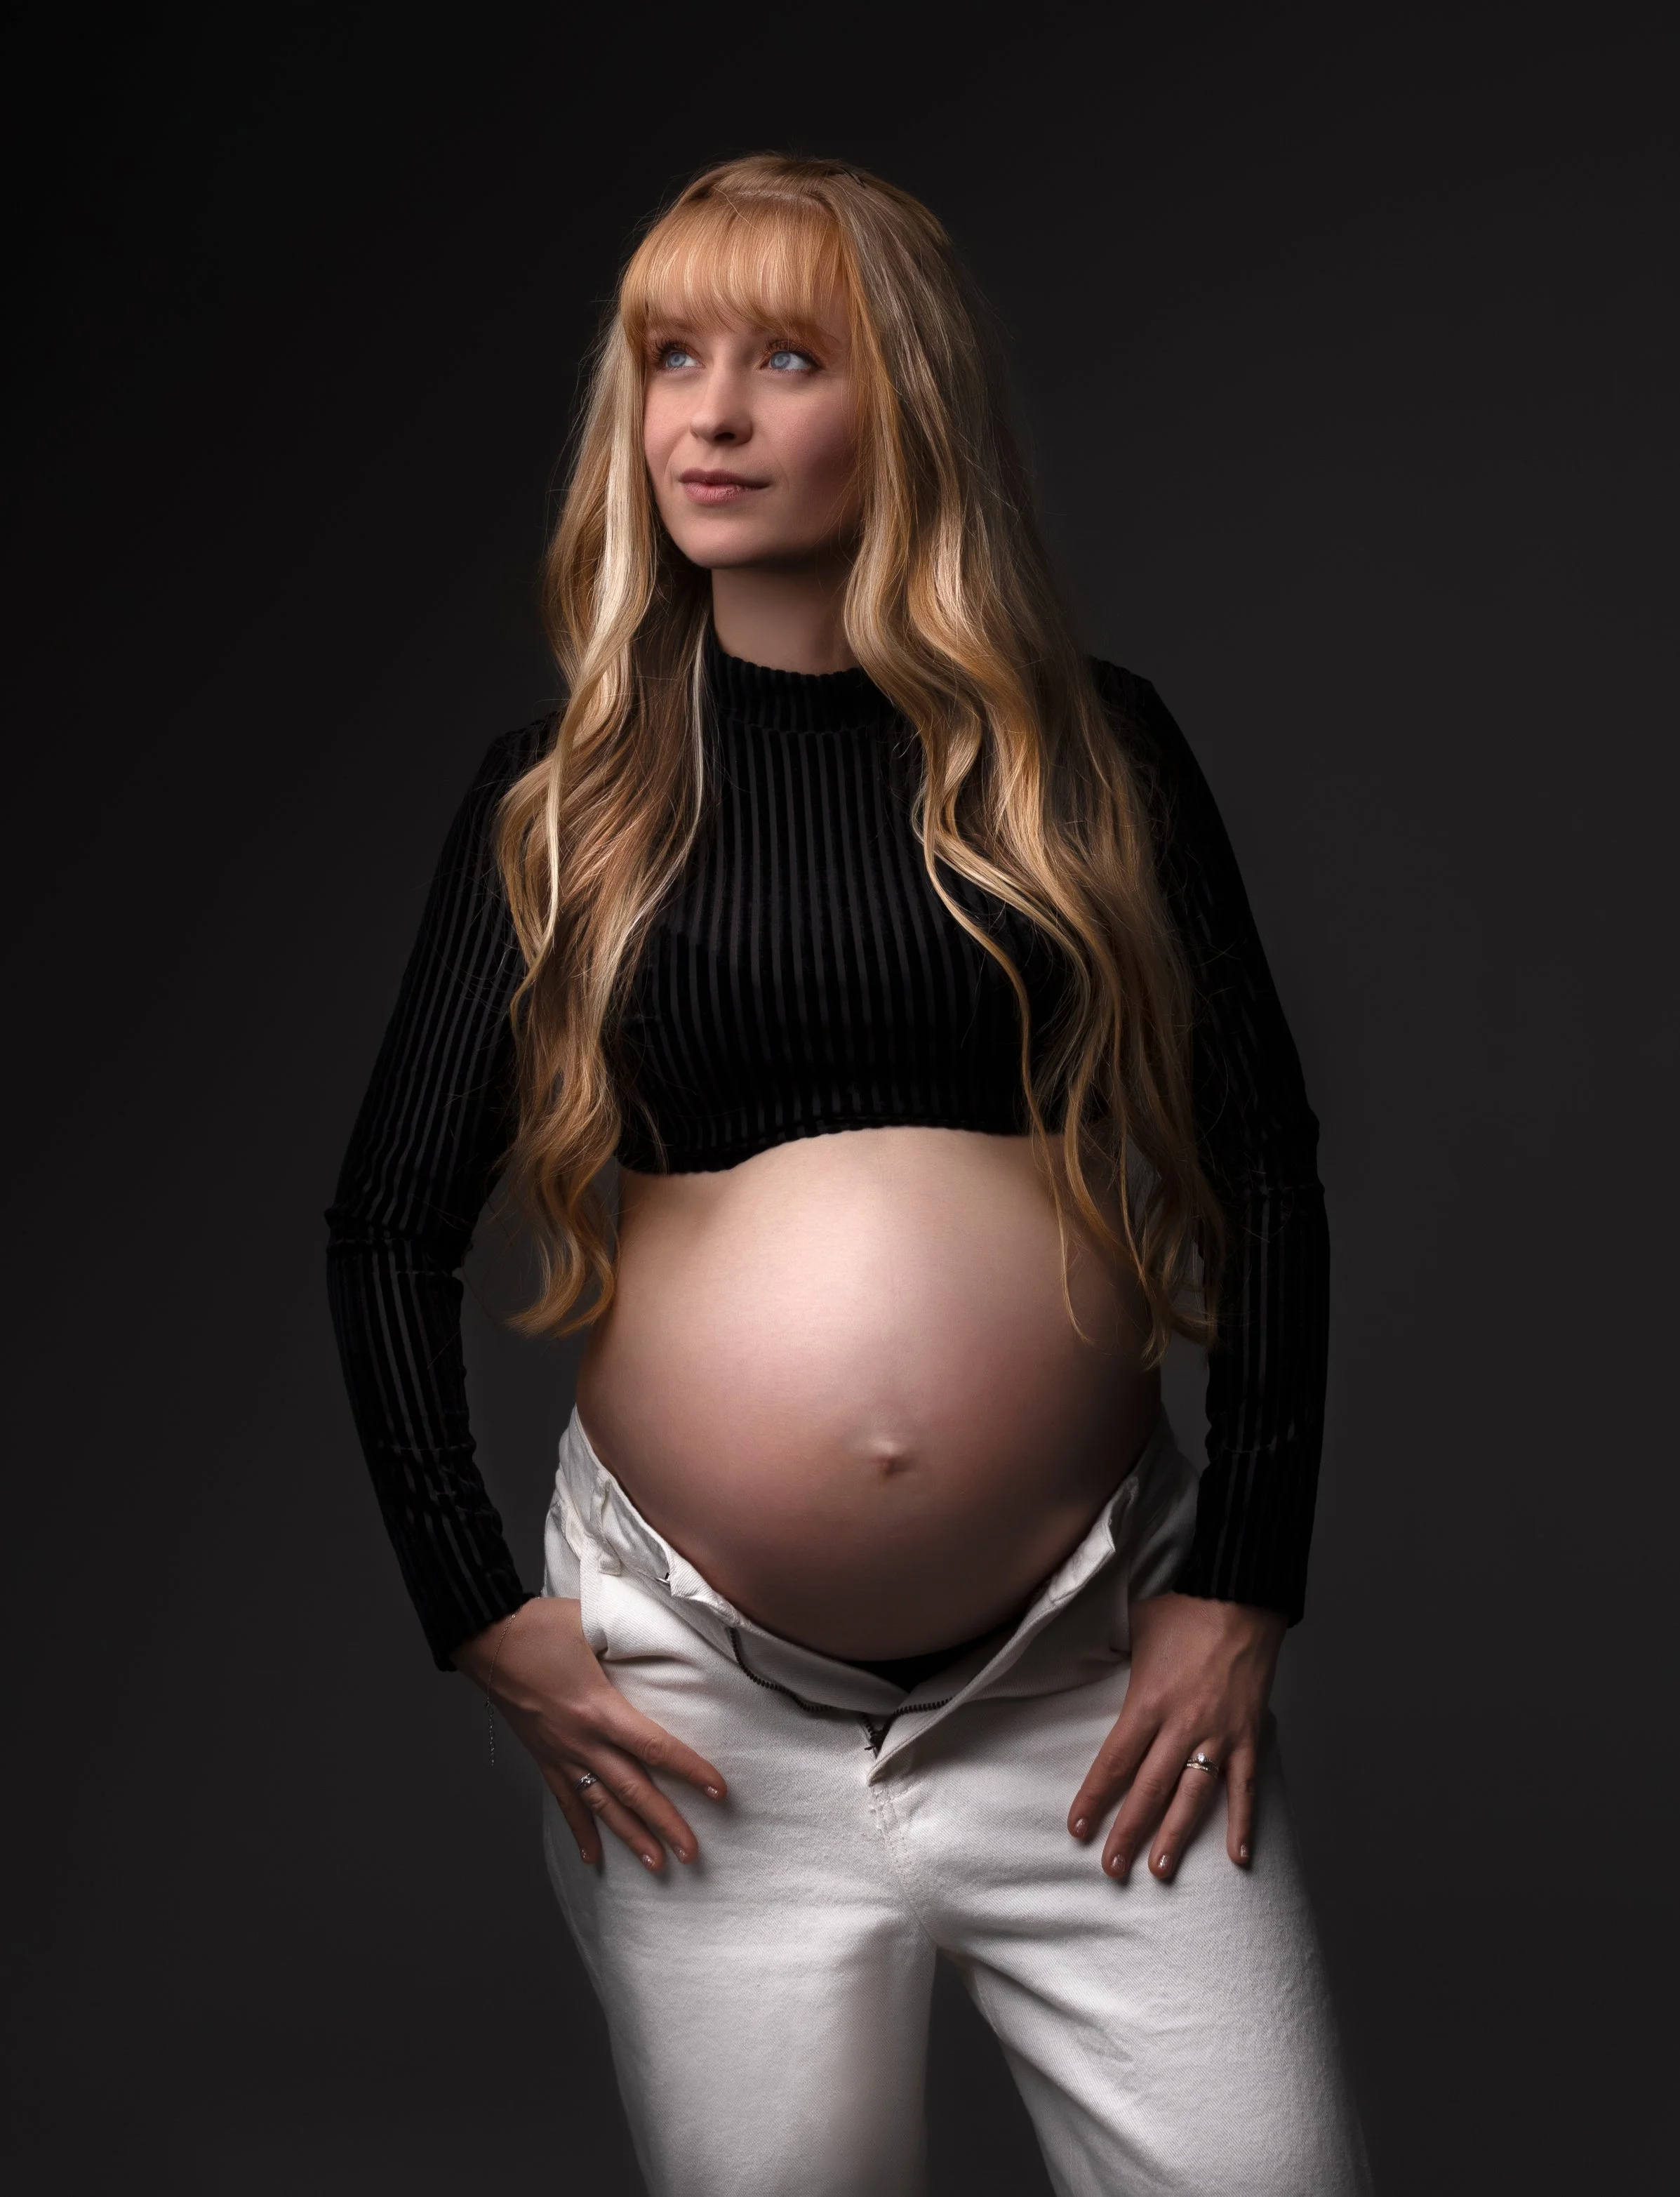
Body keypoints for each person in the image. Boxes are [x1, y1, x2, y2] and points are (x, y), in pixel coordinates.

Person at [326, 153, 1372, 2197]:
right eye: (668, 360)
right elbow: (381, 1232)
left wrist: (1241, 1580)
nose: (707, 418)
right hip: (700, 1718)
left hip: (1093, 1687)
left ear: (904, 406)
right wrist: (482, 1611)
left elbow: (1261, 1169)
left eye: (784, 360)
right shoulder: (562, 803)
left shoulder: (1094, 753)